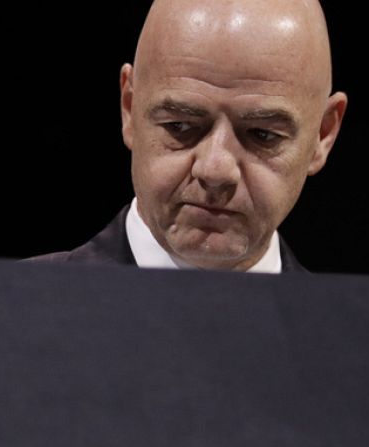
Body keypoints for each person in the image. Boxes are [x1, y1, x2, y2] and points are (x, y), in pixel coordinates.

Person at [33, 0, 347, 272]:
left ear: (323, 135)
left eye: (262, 135)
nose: (215, 170)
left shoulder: (355, 326)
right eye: (180, 126)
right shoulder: (13, 308)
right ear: (129, 107)